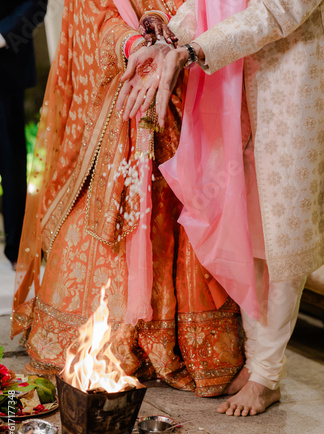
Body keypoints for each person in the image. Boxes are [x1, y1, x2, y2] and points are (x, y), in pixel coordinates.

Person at [11, 0, 246, 399]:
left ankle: (178, 338)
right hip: (124, 95)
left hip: (190, 89)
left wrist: (175, 46)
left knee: (186, 207)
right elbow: (91, 15)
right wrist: (135, 46)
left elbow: (217, 10)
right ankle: (103, 340)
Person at [121, 0, 324, 415]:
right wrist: (166, 42)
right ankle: (260, 364)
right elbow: (212, 3)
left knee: (282, 239)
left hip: (293, 97)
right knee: (248, 230)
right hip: (234, 97)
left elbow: (279, 11)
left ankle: (266, 376)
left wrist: (194, 51)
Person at [0, 0, 48, 270]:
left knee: (11, 163)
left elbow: (37, 4)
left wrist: (4, 35)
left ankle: (19, 249)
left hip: (4, 70)